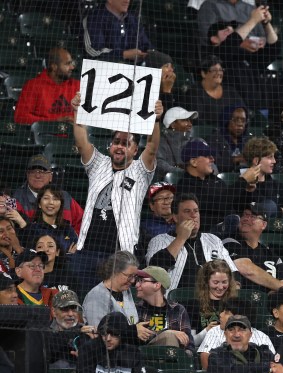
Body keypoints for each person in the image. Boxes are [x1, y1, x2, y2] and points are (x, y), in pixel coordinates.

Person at [68, 93, 161, 281]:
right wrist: (78, 112)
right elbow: (81, 141)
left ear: (135, 150)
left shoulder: (140, 171)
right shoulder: (98, 164)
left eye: (126, 144)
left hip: (121, 254)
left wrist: (156, 120)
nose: (119, 147)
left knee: (116, 303)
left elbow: (151, 146)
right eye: (116, 142)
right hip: (87, 250)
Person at [145, 192, 239, 292]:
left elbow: (233, 272)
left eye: (196, 211)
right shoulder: (159, 240)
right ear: (175, 217)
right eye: (187, 211)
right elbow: (154, 271)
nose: (193, 215)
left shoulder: (213, 240)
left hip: (211, 300)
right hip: (175, 303)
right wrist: (181, 238)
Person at [207, 314, 274, 373]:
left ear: (250, 335)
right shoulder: (216, 355)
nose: (236, 335)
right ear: (225, 335)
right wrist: (265, 370)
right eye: (231, 330)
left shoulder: (264, 352)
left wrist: (239, 370)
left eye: (242, 330)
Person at [222, 204, 283, 292]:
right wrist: (279, 287)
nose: (246, 218)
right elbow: (246, 269)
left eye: (253, 216)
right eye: (244, 215)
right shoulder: (228, 243)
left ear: (264, 225)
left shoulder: (272, 256)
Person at [12, 156, 84, 234]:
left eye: (42, 171)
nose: (38, 176)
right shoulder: (16, 198)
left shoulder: (65, 197)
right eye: (33, 171)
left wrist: (74, 241)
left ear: (51, 176)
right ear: (27, 175)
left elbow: (83, 222)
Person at [231, 138, 283, 222]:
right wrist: (280, 211)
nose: (274, 161)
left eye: (274, 157)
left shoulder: (279, 187)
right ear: (256, 161)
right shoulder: (239, 186)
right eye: (270, 157)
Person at [197, 298, 274, 369]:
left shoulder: (262, 337)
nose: (220, 314)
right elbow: (205, 359)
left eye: (226, 312)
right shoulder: (214, 331)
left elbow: (272, 365)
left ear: (239, 317)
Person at [13, 47, 79, 125]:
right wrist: (54, 121)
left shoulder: (77, 85)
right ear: (54, 67)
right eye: (67, 64)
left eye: (71, 63)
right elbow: (20, 117)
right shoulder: (33, 86)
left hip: (74, 136)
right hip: (45, 135)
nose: (72, 67)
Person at [134, 266, 193, 349]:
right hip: (143, 356)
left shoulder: (178, 310)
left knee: (170, 337)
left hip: (174, 357)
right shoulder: (135, 309)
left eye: (141, 281)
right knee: (169, 336)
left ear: (157, 285)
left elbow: (189, 344)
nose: (136, 285)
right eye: (137, 280)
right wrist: (169, 333)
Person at [184, 55, 246, 130]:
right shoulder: (194, 92)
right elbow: (197, 121)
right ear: (203, 73)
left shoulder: (231, 91)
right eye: (214, 70)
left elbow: (243, 111)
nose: (219, 73)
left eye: (220, 70)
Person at [187, 259, 239, 349]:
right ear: (206, 281)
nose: (220, 287)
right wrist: (206, 331)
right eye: (215, 282)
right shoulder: (193, 305)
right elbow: (192, 342)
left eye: (224, 282)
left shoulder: (235, 303)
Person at [82, 251, 139, 327]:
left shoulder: (125, 290)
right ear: (115, 271)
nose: (133, 281)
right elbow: (100, 332)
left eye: (134, 276)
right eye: (129, 276)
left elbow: (132, 321)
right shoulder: (96, 296)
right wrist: (134, 330)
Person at [83, 0, 151, 63]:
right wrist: (124, 54)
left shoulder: (133, 20)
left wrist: (151, 55)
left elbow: (147, 46)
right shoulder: (94, 18)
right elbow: (93, 51)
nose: (127, 1)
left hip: (132, 72)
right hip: (102, 71)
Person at [21, 184, 78, 255]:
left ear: (61, 204)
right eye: (46, 198)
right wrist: (68, 255)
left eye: (55, 199)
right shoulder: (31, 230)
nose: (51, 202)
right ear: (39, 204)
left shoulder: (68, 229)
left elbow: (77, 254)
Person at [44, 289, 90, 368]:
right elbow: (48, 355)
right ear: (54, 312)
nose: (71, 314)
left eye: (74, 309)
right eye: (65, 309)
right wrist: (73, 332)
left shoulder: (86, 332)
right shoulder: (44, 331)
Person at [155, 107, 199, 179]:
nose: (190, 124)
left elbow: (210, 164)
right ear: (173, 124)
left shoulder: (195, 142)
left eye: (190, 120)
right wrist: (187, 173)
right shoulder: (160, 142)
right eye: (185, 120)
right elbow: (159, 164)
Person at [137, 183, 176, 260]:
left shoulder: (183, 222)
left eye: (170, 198)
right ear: (152, 205)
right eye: (161, 198)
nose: (167, 202)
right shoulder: (144, 227)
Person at [208, 105, 250, 174]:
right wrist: (235, 160)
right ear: (226, 121)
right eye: (236, 120)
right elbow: (213, 165)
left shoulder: (249, 140)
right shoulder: (214, 139)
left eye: (243, 120)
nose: (240, 124)